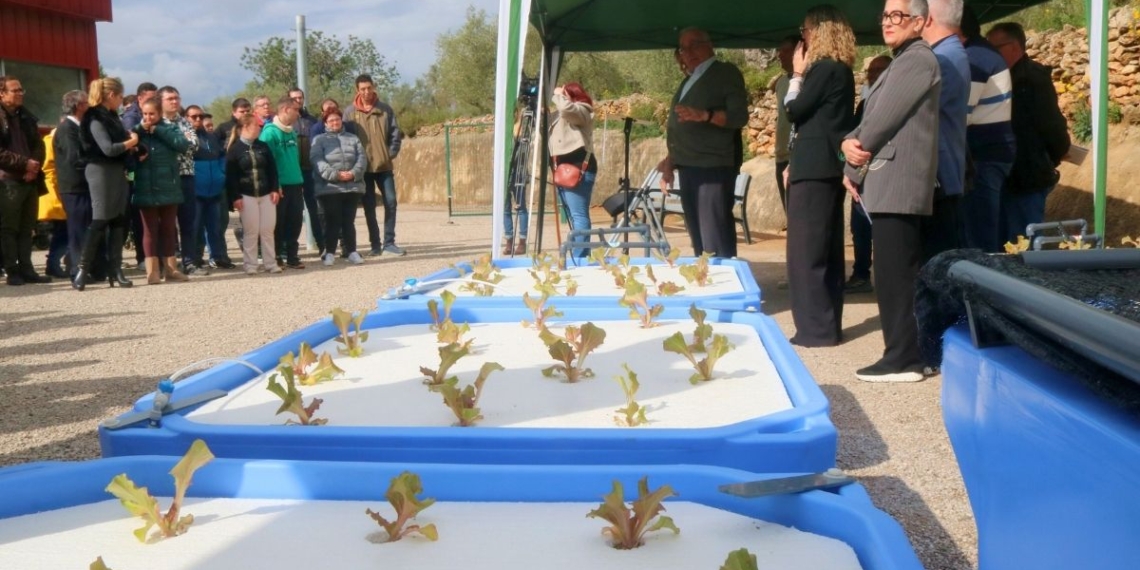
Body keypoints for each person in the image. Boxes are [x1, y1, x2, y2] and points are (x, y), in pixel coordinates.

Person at [840, 0, 941, 382]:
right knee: (894, 271)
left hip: (898, 181)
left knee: (897, 274)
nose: (888, 22)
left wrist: (852, 161)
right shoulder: (903, 59)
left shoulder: (917, 59)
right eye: (885, 15)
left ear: (920, 21)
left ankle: (904, 358)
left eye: (897, 15)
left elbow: (881, 121)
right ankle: (903, 354)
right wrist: (849, 142)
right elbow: (868, 118)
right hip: (889, 178)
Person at [782, 5, 857, 348]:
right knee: (823, 249)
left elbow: (794, 110)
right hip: (820, 166)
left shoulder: (824, 69)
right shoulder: (838, 70)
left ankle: (816, 329)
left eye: (806, 30)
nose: (803, 37)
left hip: (815, 169)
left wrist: (796, 75)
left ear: (820, 32)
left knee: (807, 252)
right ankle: (824, 325)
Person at [656, 28, 749, 258]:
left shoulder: (725, 72)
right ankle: (706, 281)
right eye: (683, 48)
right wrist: (670, 164)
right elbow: (679, 130)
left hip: (712, 169)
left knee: (714, 237)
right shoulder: (688, 81)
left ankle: (723, 287)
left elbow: (739, 116)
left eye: (694, 44)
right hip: (688, 168)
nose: (688, 52)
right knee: (698, 237)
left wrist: (706, 115)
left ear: (710, 44)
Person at [987, 22, 1070, 243]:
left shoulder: (1032, 79)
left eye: (995, 48)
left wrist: (1045, 159)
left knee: (1023, 245)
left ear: (1014, 47)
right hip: (1009, 177)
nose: (989, 55)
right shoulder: (1001, 78)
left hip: (1027, 176)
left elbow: (1052, 128)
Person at [957, 8, 1015, 252]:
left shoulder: (975, 59)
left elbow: (958, 115)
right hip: (986, 156)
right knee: (980, 231)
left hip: (983, 158)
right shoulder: (978, 54)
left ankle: (982, 288)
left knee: (979, 238)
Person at [76, 77, 142, 290]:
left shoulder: (112, 117)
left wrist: (132, 147)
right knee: (100, 219)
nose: (122, 101)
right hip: (100, 171)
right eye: (121, 96)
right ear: (111, 95)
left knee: (118, 220)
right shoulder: (95, 118)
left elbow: (118, 147)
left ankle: (116, 269)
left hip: (116, 171)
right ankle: (82, 269)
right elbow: (108, 149)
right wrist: (131, 141)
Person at [920, 0, 970, 262]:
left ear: (927, 19)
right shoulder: (947, 53)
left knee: (938, 263)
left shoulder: (943, 58)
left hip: (940, 179)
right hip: (942, 177)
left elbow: (916, 112)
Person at [845, 54, 891, 295]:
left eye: (880, 71)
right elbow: (852, 136)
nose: (873, 76)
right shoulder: (864, 105)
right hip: (862, 176)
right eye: (871, 73)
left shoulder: (896, 102)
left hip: (886, 175)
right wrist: (848, 166)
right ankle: (861, 274)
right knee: (860, 228)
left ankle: (888, 279)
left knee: (885, 231)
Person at [345, 74, 406, 257]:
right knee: (369, 207)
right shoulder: (349, 113)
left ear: (373, 87)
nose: (366, 92)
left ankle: (389, 242)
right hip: (363, 169)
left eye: (369, 87)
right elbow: (346, 139)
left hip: (384, 167)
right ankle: (375, 244)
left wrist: (390, 153)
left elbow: (396, 134)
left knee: (391, 202)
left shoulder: (385, 109)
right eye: (362, 89)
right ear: (357, 90)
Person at [133, 99, 192, 284]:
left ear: (159, 114)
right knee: (149, 230)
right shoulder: (137, 131)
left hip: (169, 185)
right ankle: (152, 272)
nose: (148, 118)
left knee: (168, 229)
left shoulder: (170, 128)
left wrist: (158, 130)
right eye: (145, 114)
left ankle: (171, 270)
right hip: (145, 186)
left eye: (152, 114)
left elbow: (183, 145)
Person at [0, 75, 51, 286]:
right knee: (8, 228)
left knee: (27, 227)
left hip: (30, 179)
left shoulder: (26, 117)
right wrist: (23, 164)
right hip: (8, 180)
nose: (20, 93)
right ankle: (12, 270)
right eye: (15, 90)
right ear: (1, 94)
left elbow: (39, 145)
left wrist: (34, 165)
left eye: (21, 90)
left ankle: (27, 269)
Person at [225, 114, 281, 274]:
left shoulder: (263, 146)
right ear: (245, 128)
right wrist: (235, 197)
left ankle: (271, 263)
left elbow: (272, 170)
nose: (259, 128)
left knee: (268, 229)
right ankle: (250, 265)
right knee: (251, 230)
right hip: (246, 195)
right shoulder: (235, 150)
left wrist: (275, 189)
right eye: (256, 125)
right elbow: (231, 177)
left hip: (266, 194)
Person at [547, 82, 597, 258]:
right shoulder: (560, 114)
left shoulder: (582, 111)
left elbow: (567, 110)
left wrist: (557, 94)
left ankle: (580, 255)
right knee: (573, 214)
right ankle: (582, 252)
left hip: (578, 169)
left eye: (564, 95)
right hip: (562, 170)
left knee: (579, 214)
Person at [311, 108, 366, 266]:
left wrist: (354, 173)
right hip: (330, 188)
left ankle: (352, 251)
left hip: (352, 187)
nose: (335, 123)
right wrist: (336, 175)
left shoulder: (353, 138)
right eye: (331, 120)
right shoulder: (319, 140)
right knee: (332, 221)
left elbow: (362, 158)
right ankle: (329, 252)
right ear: (325, 123)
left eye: (337, 119)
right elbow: (317, 160)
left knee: (349, 221)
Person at [156, 86, 200, 274]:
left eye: (177, 98)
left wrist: (176, 144)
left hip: (186, 176)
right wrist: (180, 143)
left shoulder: (185, 122)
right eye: (170, 98)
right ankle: (164, 263)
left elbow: (194, 146)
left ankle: (190, 261)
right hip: (165, 178)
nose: (175, 101)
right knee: (164, 223)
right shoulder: (157, 123)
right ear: (161, 101)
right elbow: (161, 151)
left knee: (188, 221)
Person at [54, 89, 95, 283]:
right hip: (74, 186)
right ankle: (76, 271)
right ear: (78, 106)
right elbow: (73, 157)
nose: (89, 107)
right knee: (77, 229)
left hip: (84, 186)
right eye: (86, 103)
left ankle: (86, 267)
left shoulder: (79, 127)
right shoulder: (67, 129)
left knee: (86, 228)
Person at [260, 95, 305, 269]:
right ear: (286, 109)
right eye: (295, 109)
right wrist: (274, 184)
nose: (298, 113)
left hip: (295, 182)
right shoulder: (269, 132)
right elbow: (266, 161)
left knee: (295, 221)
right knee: (278, 223)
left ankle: (292, 256)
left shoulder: (292, 131)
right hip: (279, 186)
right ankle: (276, 256)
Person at [187, 105, 233, 269]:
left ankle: (218, 256)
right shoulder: (184, 138)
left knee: (216, 227)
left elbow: (222, 156)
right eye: (194, 117)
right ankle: (195, 259)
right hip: (195, 191)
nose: (198, 119)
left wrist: (222, 174)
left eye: (200, 116)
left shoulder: (211, 137)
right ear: (186, 118)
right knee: (195, 227)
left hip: (215, 190)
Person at [290, 87, 325, 257]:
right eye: (294, 98)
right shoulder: (285, 122)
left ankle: (322, 244)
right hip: (292, 172)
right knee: (294, 212)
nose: (298, 100)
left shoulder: (312, 121)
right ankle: (290, 249)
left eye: (300, 97)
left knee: (316, 209)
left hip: (311, 171)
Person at [773, 35, 800, 219]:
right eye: (779, 51)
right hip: (781, 155)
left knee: (799, 213)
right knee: (789, 211)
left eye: (785, 51)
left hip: (797, 156)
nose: (779, 55)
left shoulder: (807, 80)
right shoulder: (781, 83)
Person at [39, 125, 70, 279]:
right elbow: (48, 168)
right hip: (55, 190)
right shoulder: (51, 140)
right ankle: (53, 263)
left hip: (59, 188)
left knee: (64, 228)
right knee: (63, 228)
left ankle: (56, 262)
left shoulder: (52, 138)